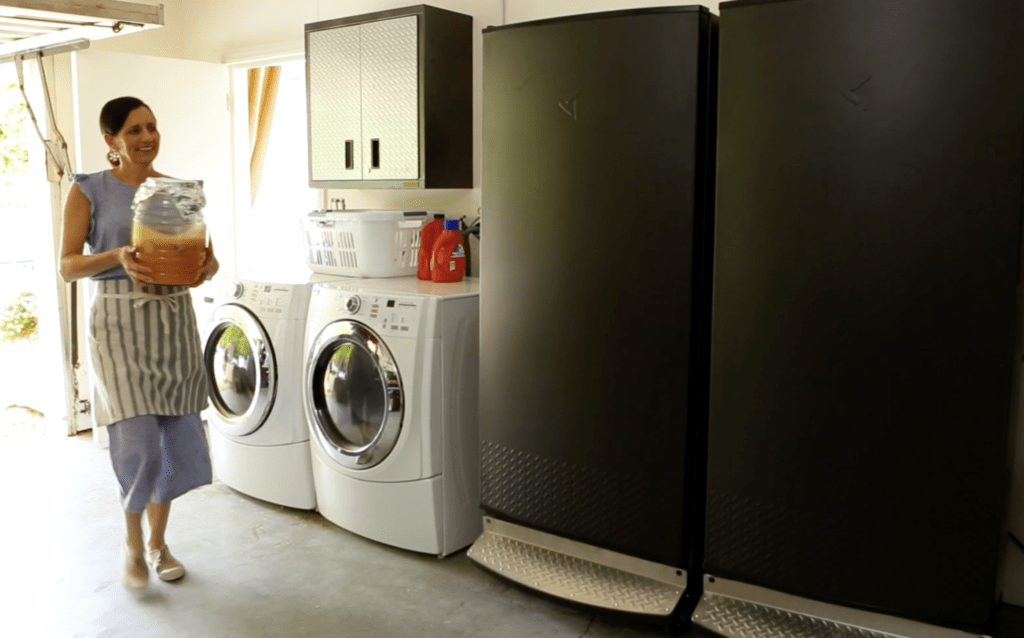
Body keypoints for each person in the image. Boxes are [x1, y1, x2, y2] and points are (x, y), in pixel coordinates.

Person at [59, 96, 219, 590]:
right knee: (139, 440)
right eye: (133, 131)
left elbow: (194, 264)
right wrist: (118, 256)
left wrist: (206, 267)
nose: (146, 137)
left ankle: (159, 543)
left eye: (151, 127)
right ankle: (133, 541)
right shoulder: (87, 191)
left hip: (171, 323)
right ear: (111, 141)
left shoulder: (176, 192)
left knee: (171, 435)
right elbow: (67, 266)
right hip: (116, 325)